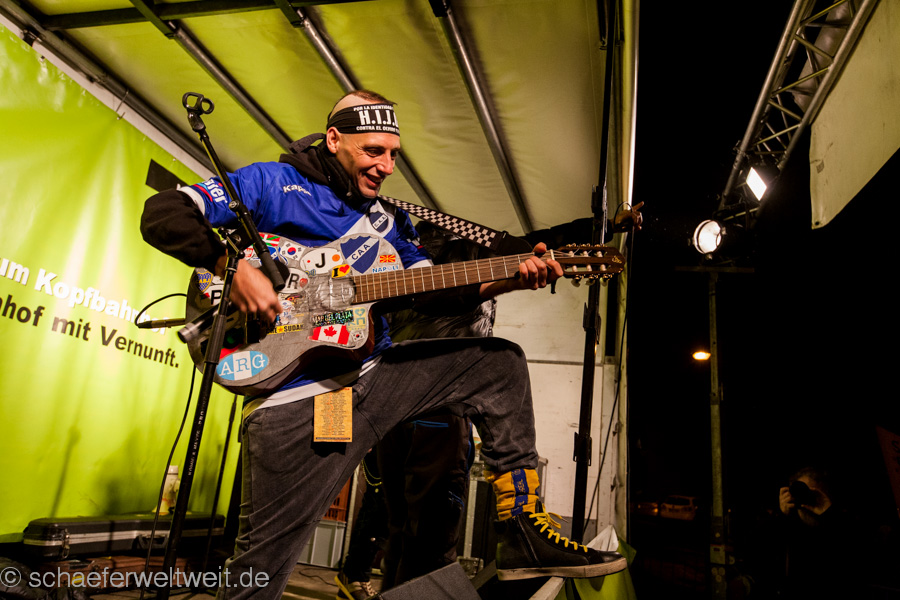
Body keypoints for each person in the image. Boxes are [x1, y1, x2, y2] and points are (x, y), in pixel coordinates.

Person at [141, 89, 627, 600]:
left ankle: (522, 533)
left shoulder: (390, 221)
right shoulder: (272, 183)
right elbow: (164, 212)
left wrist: (508, 279)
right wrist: (229, 265)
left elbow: (433, 291)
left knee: (500, 365)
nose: (387, 166)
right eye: (374, 151)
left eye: (394, 153)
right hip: (296, 399)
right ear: (334, 139)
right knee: (259, 568)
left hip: (373, 379)